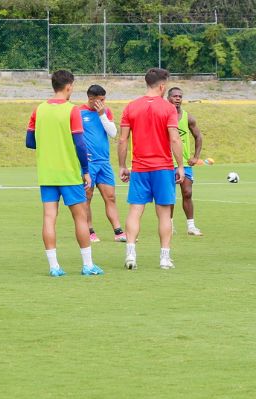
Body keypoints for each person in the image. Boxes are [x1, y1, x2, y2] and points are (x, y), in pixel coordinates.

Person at [26, 69, 103, 277]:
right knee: (80, 217)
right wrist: (85, 170)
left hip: (47, 173)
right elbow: (80, 143)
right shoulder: (72, 110)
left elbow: (29, 142)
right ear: (69, 86)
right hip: (69, 172)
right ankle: (87, 265)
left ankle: (54, 267)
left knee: (49, 217)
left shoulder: (39, 110)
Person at [118, 68, 184, 270]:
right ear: (162, 86)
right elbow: (174, 138)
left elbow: (122, 139)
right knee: (164, 214)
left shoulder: (131, 107)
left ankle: (130, 254)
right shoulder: (168, 109)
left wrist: (122, 165)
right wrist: (180, 165)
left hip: (139, 168)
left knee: (135, 211)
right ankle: (164, 258)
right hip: (163, 168)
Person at [79, 84, 126, 243]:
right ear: (91, 99)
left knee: (110, 197)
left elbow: (113, 133)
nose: (103, 103)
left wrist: (101, 114)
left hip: (104, 163)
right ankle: (89, 231)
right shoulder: (79, 112)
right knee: (87, 196)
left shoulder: (105, 112)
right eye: (100, 100)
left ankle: (118, 231)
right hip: (88, 163)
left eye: (104, 100)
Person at [167, 87, 204, 236]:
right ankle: (168, 224)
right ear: (168, 98)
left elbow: (199, 136)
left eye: (180, 96)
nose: (177, 98)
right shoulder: (162, 116)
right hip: (167, 163)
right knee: (168, 195)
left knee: (187, 193)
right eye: (174, 96)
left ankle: (191, 226)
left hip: (185, 164)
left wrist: (195, 156)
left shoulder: (188, 117)